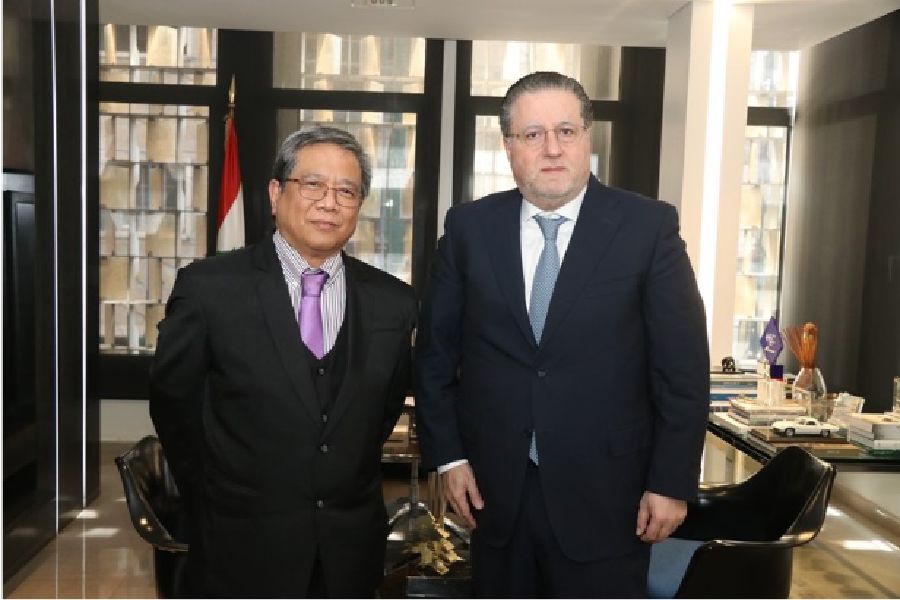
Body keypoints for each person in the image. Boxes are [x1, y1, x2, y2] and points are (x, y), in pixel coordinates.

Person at [415, 71, 710, 598]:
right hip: (493, 493)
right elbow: (436, 355)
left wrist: (670, 481)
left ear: (587, 138)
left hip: (611, 496)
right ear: (509, 147)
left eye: (566, 131)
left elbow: (682, 369)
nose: (552, 149)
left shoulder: (647, 228)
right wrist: (449, 457)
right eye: (533, 134)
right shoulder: (468, 229)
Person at [150, 126, 416, 598]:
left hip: (348, 554)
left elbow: (379, 416)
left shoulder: (394, 303)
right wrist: (222, 497)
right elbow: (176, 409)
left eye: (347, 191)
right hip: (241, 546)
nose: (329, 202)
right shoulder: (210, 290)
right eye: (313, 184)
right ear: (276, 193)